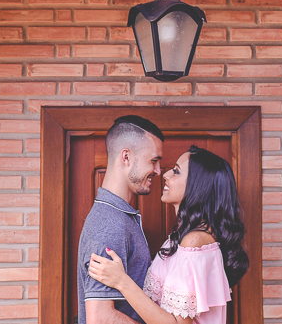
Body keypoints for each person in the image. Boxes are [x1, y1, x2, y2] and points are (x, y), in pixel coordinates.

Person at [88, 146, 249, 324]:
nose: (165, 174)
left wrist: (121, 282)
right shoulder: (183, 238)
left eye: (177, 171)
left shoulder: (194, 243)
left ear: (198, 186)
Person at [77, 115, 165, 324]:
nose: (158, 171)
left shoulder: (119, 217)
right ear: (126, 157)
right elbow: (100, 319)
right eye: (153, 161)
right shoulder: (110, 224)